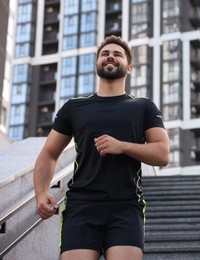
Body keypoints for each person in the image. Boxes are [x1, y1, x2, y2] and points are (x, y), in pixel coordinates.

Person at [33, 35, 169, 260]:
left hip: (126, 205)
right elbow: (48, 154)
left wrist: (122, 146)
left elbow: (162, 154)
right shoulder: (74, 107)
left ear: (129, 67)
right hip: (81, 205)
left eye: (117, 54)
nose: (110, 57)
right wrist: (41, 193)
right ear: (97, 64)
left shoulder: (143, 106)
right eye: (105, 54)